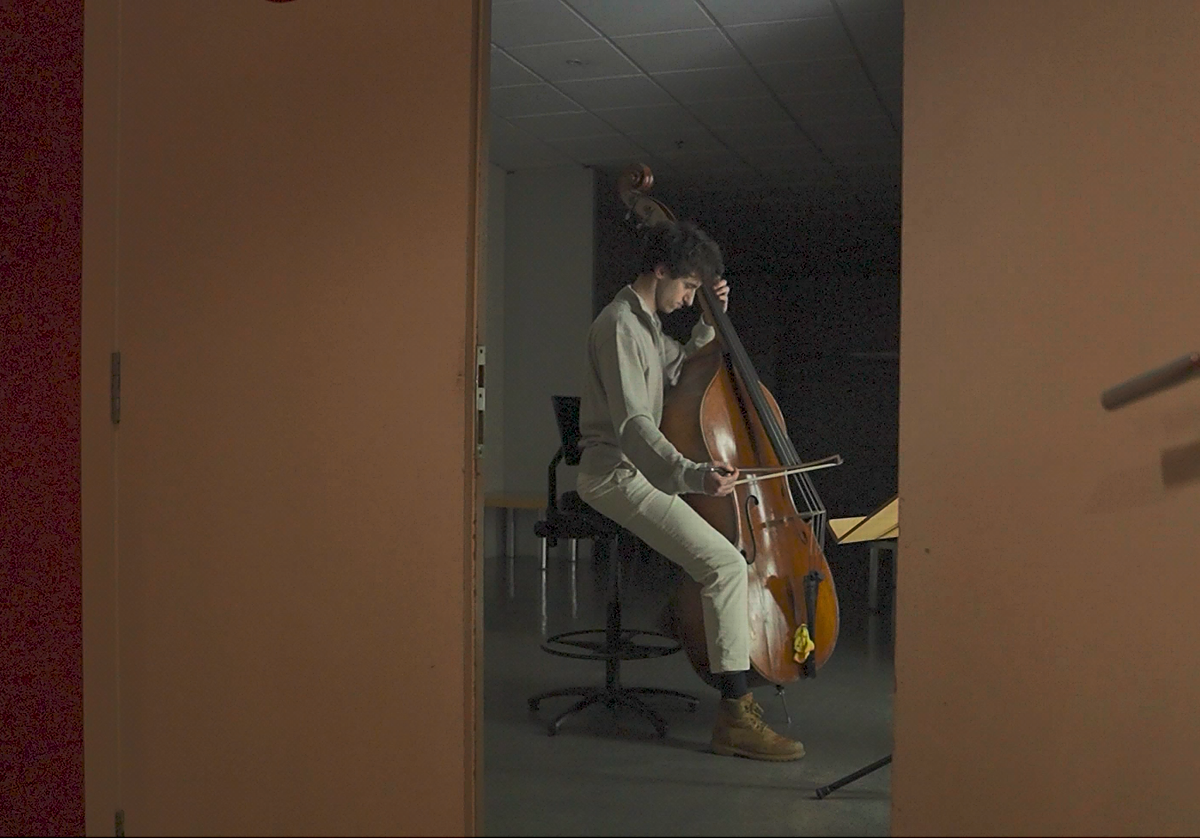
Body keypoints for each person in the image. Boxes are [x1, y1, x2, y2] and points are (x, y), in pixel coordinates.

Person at [575, 219, 805, 762]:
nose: (688, 298)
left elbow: (678, 371)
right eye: (688, 287)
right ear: (660, 270)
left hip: (640, 473)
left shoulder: (647, 325)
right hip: (615, 476)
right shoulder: (619, 327)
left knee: (716, 561)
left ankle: (682, 623)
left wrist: (706, 323)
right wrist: (692, 474)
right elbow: (635, 427)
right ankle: (735, 719)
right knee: (724, 565)